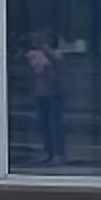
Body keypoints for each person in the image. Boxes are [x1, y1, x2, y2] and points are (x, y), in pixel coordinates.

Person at [24, 30, 67, 166]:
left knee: (55, 124)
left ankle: (59, 153)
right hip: (39, 94)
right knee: (43, 125)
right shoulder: (32, 54)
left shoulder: (55, 53)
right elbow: (33, 70)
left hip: (54, 93)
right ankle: (48, 152)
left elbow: (58, 61)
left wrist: (47, 49)